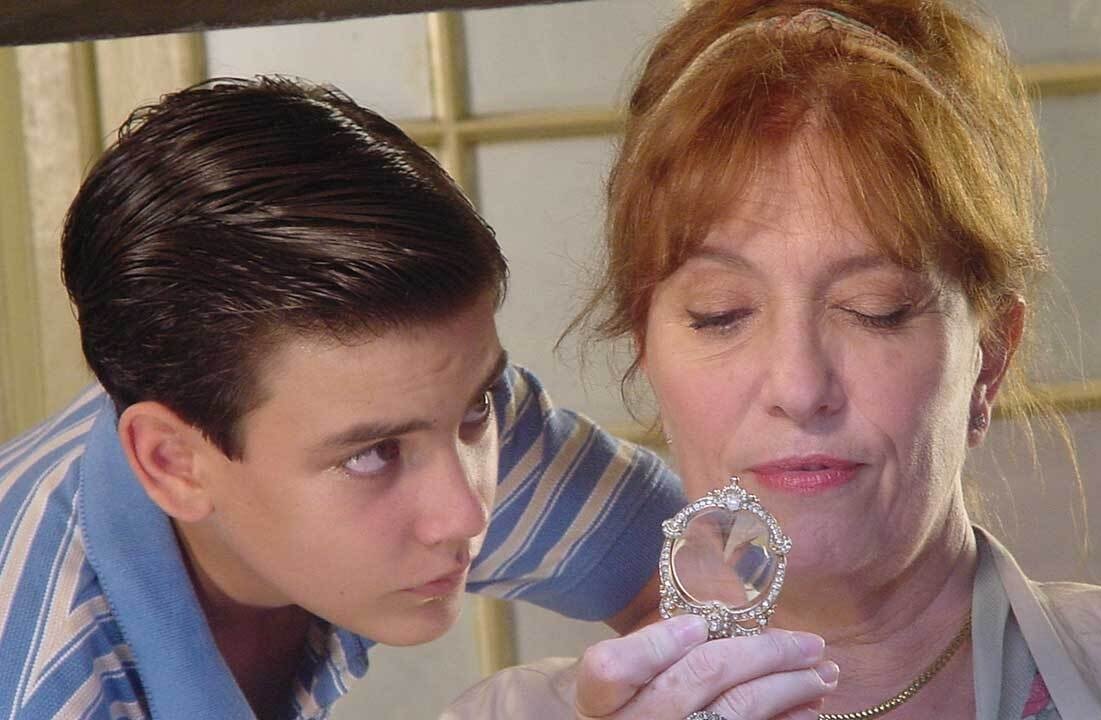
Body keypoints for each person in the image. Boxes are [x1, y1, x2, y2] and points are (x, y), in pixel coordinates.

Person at [441, 1, 1101, 719]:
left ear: (990, 357)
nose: (800, 386)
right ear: (646, 355)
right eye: (721, 314)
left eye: (874, 311)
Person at [0, 76, 827, 719]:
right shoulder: (43, 683)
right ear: (173, 463)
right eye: (372, 456)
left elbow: (709, 579)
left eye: (478, 408)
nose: (465, 512)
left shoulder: (423, 412)